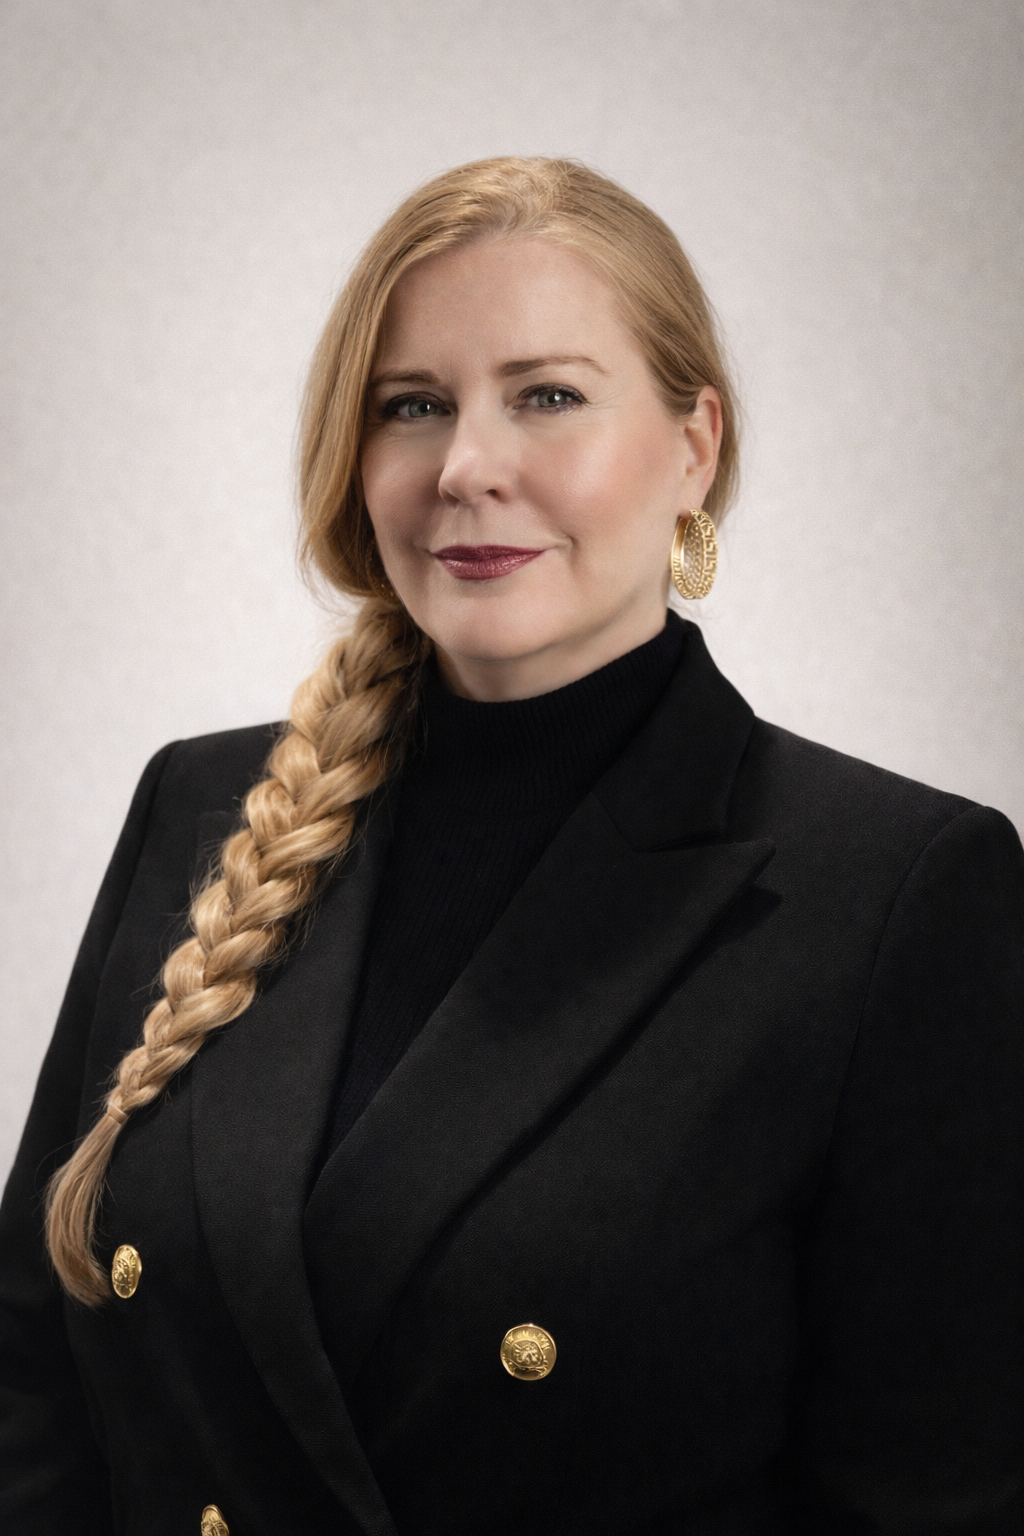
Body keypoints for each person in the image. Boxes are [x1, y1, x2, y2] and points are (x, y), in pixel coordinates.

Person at [0, 156, 1020, 1536]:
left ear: (693, 447)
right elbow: (33, 1398)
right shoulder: (202, 805)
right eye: (412, 407)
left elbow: (935, 1497)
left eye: (547, 396)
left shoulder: (895, 894)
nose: (468, 467)